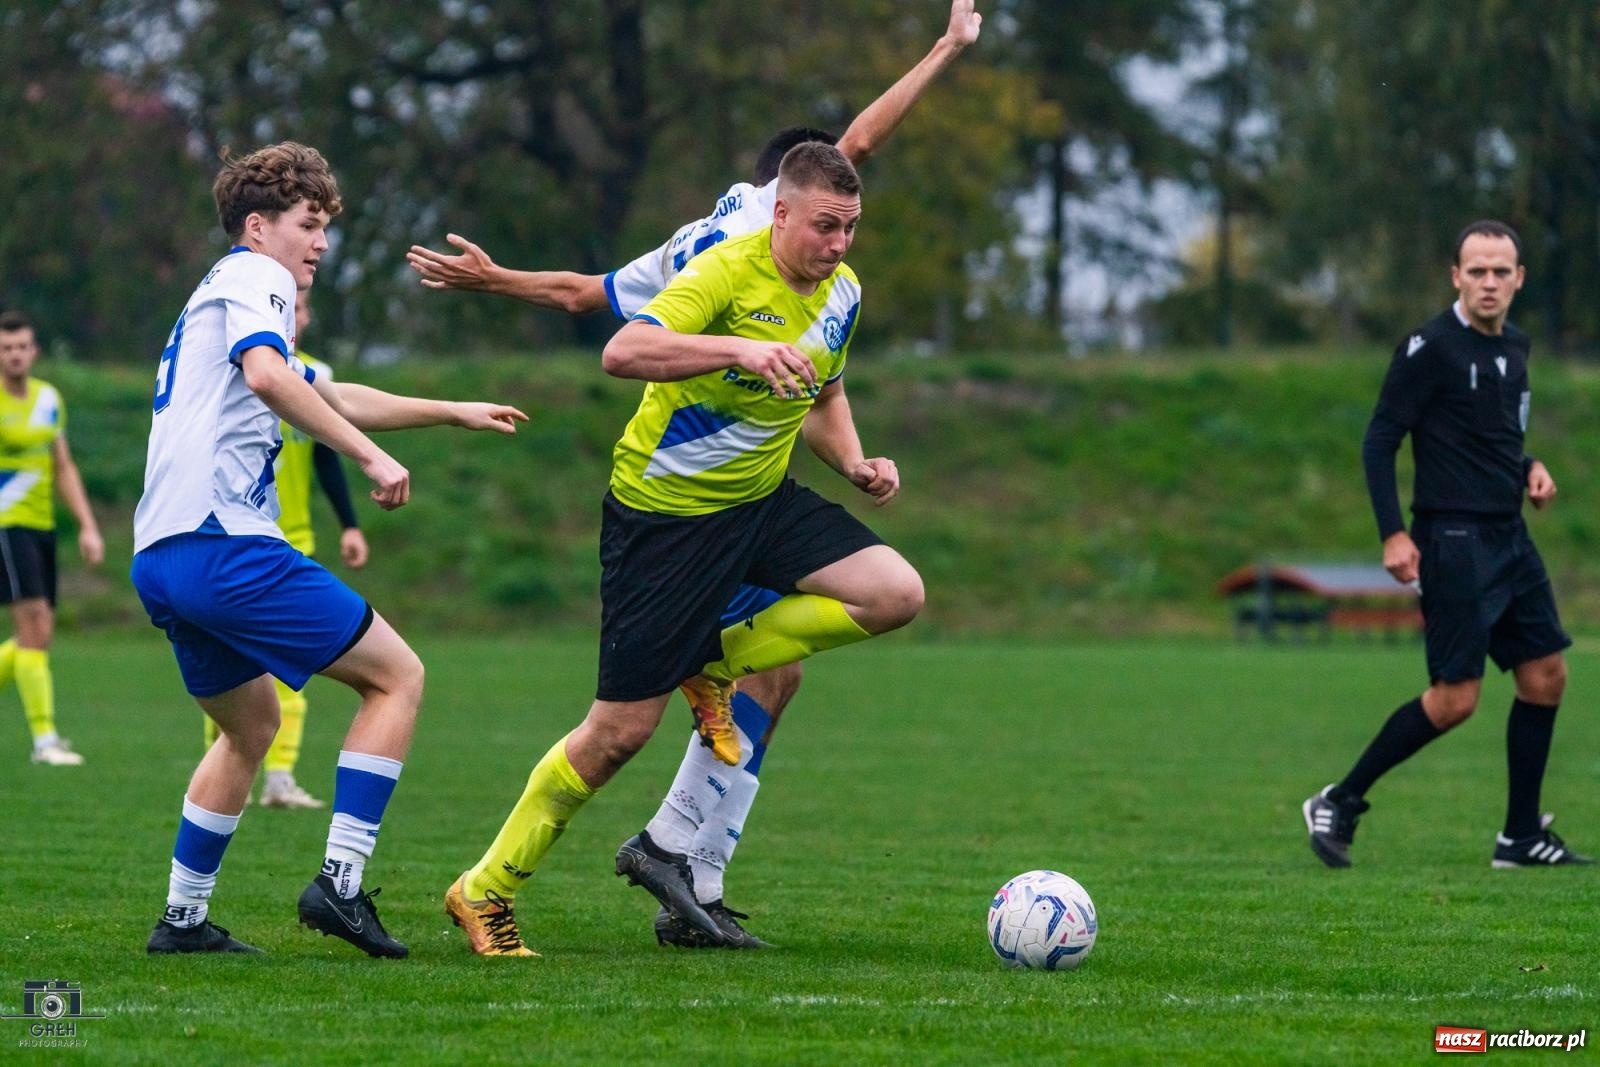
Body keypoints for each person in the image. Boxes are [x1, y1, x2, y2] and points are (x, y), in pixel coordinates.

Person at [411, 0, 980, 950]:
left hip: (757, 498)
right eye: (827, 223)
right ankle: (486, 885)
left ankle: (689, 835)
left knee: (888, 595)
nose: (842, 241)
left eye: (853, 225)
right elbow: (618, 339)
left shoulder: (835, 279)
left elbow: (820, 372)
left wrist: (854, 461)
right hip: (665, 516)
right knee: (616, 732)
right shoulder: (715, 253)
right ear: (777, 203)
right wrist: (734, 353)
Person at [136, 141, 527, 957]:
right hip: (223, 541)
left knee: (251, 728)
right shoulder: (255, 276)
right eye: (308, 224)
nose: (319, 242)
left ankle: (183, 919)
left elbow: (327, 389)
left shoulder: (219, 294)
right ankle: (340, 885)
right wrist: (371, 458)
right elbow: (271, 380)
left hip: (164, 556)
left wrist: (452, 409)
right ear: (257, 226)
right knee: (399, 677)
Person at [1303, 220, 1591, 870]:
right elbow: (1379, 440)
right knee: (1456, 699)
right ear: (1455, 276)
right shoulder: (1428, 347)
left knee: (1546, 675)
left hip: (1509, 536)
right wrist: (1393, 533)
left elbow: (1494, 438)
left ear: (1518, 278)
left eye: (1501, 271)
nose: (1489, 282)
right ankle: (1339, 799)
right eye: (1477, 270)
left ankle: (1520, 836)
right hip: (1453, 539)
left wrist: (1530, 468)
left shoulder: (1515, 346)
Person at [200, 291, 371, 809]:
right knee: (230, 676)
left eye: (302, 308)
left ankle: (278, 778)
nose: (299, 316)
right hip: (233, 538)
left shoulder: (310, 374)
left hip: (290, 540)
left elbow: (327, 455)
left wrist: (349, 524)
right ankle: (226, 774)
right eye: (289, 307)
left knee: (291, 670)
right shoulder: (238, 372)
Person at [0, 311, 104, 766]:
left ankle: (45, 738)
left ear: (34, 351)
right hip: (5, 526)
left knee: (37, 635)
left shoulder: (48, 398)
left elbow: (63, 466)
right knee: (34, 625)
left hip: (41, 527)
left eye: (22, 346)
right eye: (6, 348)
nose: (15, 354)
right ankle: (45, 741)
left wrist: (87, 524)